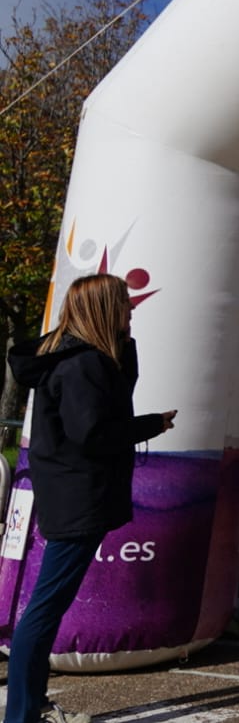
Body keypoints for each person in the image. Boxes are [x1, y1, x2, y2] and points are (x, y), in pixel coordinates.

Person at [6, 273, 177, 723]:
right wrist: (152, 424)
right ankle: (22, 712)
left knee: (48, 604)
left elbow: (107, 408)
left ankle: (31, 707)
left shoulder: (80, 358)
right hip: (78, 498)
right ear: (104, 309)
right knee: (45, 607)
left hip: (72, 495)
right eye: (125, 304)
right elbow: (94, 434)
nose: (132, 310)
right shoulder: (83, 365)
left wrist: (127, 347)